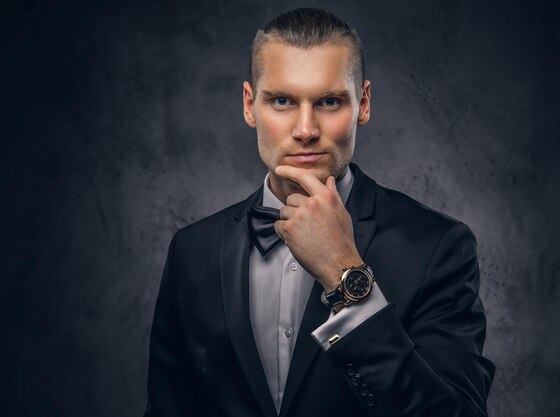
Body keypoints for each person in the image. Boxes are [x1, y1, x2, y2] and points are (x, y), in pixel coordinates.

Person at [144, 7, 495, 417]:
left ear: (362, 104)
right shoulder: (192, 251)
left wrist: (345, 273)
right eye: (281, 100)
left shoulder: (437, 246)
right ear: (249, 104)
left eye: (329, 101)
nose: (306, 129)